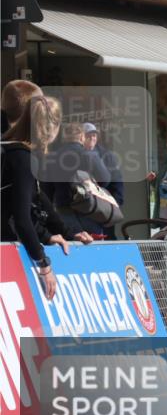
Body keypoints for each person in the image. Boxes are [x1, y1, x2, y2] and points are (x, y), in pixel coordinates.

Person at [1, 96, 85, 300]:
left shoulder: (10, 150)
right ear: (53, 128)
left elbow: (36, 199)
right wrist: (44, 265)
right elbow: (21, 218)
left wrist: (63, 233)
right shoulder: (23, 158)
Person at [43, 122, 112, 236]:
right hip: (88, 209)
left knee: (71, 246)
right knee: (94, 247)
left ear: (65, 138)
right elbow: (105, 179)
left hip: (63, 209)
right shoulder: (89, 155)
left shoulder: (52, 158)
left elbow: (47, 190)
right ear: (81, 136)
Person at [83, 123, 124, 239]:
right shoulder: (75, 154)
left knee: (107, 239)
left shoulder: (107, 156)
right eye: (88, 135)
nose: (92, 138)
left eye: (94, 135)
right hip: (84, 209)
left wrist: (114, 204)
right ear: (81, 137)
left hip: (104, 208)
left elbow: (117, 181)